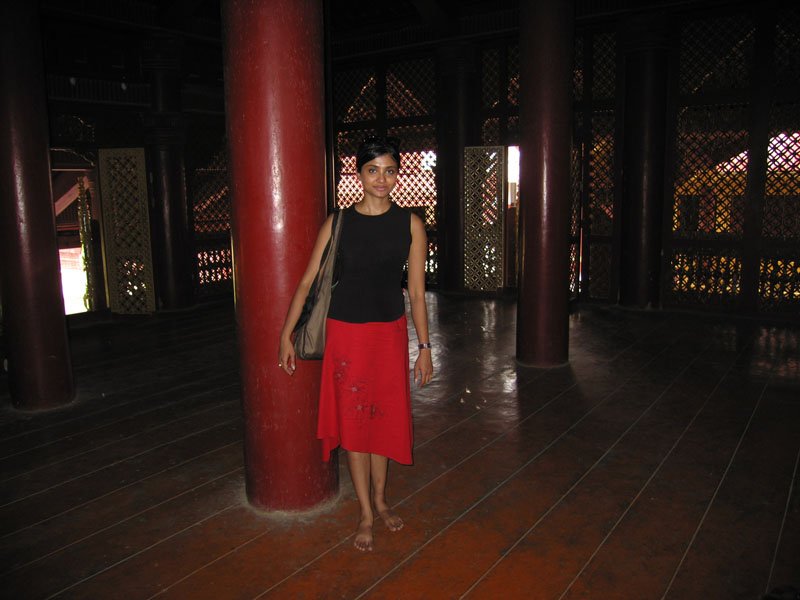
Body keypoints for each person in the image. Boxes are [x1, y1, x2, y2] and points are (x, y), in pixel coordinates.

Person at [278, 136, 433, 552]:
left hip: (389, 333)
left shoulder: (411, 223)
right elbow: (308, 281)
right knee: (354, 426)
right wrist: (286, 334)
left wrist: (425, 347)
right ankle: (365, 511)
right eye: (372, 170)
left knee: (381, 419)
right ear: (358, 174)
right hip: (346, 333)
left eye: (389, 170)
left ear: (397, 174)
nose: (381, 179)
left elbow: (416, 293)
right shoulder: (338, 221)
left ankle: (382, 500)